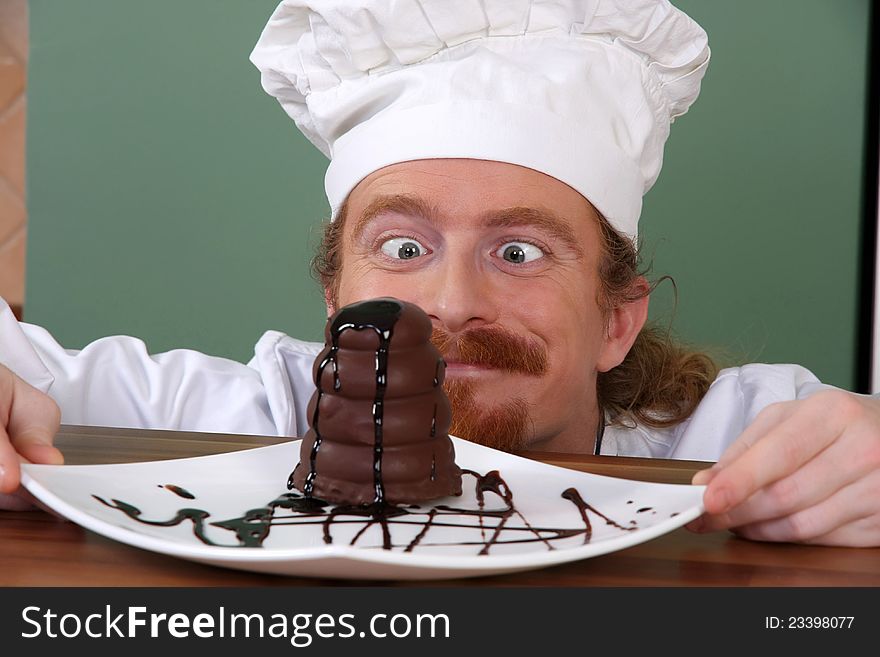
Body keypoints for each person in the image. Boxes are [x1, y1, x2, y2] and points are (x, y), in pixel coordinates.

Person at [1, 0, 879, 547]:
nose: (453, 304)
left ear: (618, 321)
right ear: (335, 299)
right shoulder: (235, 427)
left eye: (520, 252)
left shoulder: (739, 446)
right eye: (405, 249)